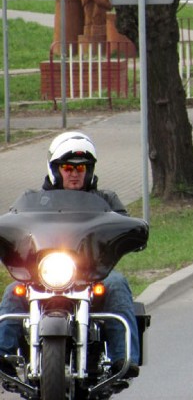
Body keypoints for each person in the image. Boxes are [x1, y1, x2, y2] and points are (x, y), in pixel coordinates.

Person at [0, 132, 140, 379]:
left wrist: (132, 234)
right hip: (43, 274)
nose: (75, 173)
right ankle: (2, 355)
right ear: (55, 169)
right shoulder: (32, 200)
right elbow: (13, 223)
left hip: (92, 275)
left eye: (81, 167)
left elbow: (125, 223)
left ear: (90, 169)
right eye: (67, 167)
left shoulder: (105, 200)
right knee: (13, 291)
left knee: (117, 284)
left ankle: (123, 360)